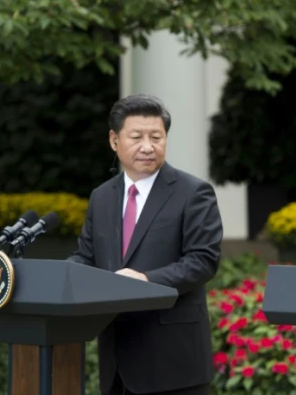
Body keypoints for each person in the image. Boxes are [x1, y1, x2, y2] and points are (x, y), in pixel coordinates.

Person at [68, 94, 223, 395]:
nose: (148, 147)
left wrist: (146, 280)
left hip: (173, 363)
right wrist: (63, 276)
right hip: (116, 362)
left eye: (157, 137)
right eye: (136, 137)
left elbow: (203, 260)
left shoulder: (193, 193)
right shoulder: (102, 197)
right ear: (114, 140)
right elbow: (85, 256)